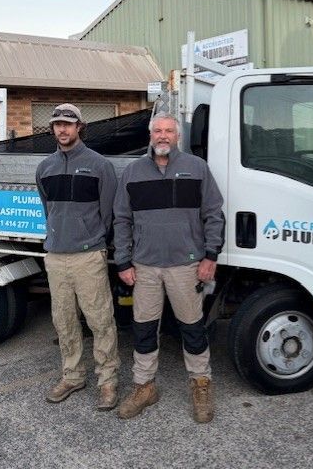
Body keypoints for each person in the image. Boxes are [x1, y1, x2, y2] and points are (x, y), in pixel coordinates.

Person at [114, 111, 225, 423]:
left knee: (192, 328)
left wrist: (210, 256)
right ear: (150, 135)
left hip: (186, 266)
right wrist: (123, 260)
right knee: (144, 330)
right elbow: (121, 219)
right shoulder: (133, 172)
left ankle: (201, 384)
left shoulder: (196, 168)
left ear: (178, 136)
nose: (163, 136)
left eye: (169, 131)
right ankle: (144, 387)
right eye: (157, 131)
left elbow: (214, 214)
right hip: (145, 267)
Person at [36, 103, 120, 410]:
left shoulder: (99, 166)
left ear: (80, 127)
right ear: (53, 129)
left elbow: (108, 213)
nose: (62, 129)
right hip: (56, 257)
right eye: (57, 124)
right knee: (64, 322)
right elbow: (50, 210)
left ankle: (108, 382)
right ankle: (72, 377)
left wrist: (92, 239)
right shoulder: (44, 168)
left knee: (100, 321)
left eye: (68, 124)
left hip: (88, 257)